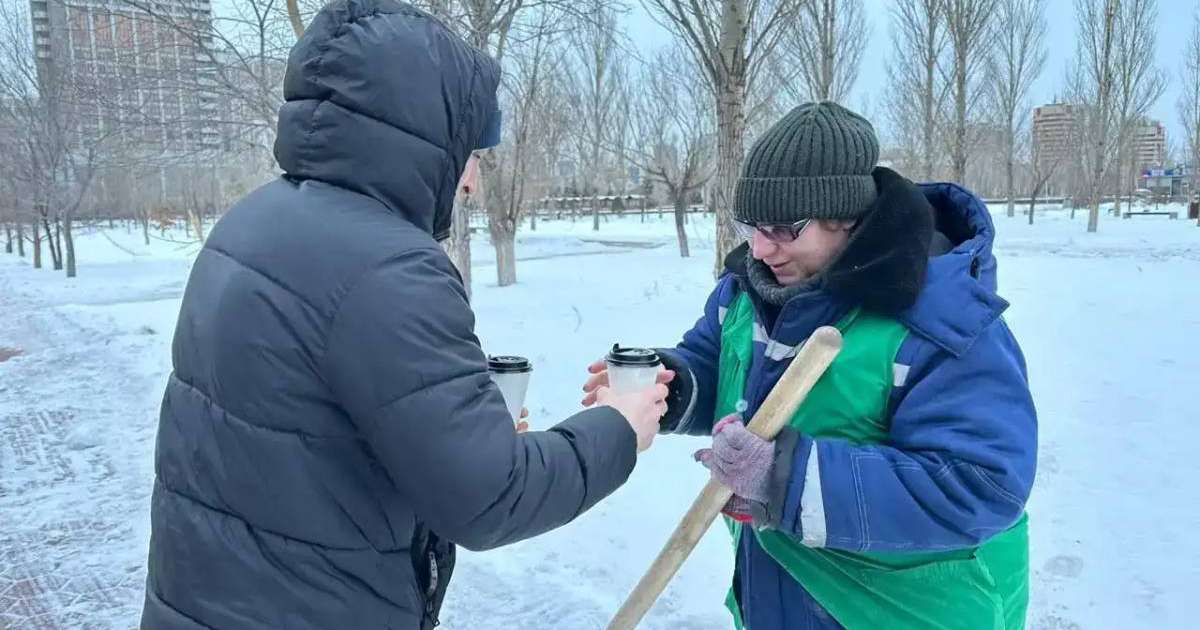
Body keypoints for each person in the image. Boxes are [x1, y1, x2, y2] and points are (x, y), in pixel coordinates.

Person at [139, 1, 671, 628]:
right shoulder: (390, 268)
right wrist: (618, 427)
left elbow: (298, 434)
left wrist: (455, 422)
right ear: (427, 139)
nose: (471, 181)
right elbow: (490, 497)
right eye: (473, 152)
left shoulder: (252, 222)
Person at [584, 102, 1037, 629]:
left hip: (903, 610)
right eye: (750, 225)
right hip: (783, 596)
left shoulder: (942, 322)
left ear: (844, 217)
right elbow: (717, 363)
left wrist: (784, 477)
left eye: (782, 228)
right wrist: (672, 387)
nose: (759, 248)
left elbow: (981, 485)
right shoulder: (747, 290)